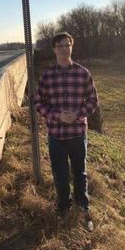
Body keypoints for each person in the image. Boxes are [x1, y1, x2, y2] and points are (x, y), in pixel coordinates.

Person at [35, 32, 98, 231]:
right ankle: (63, 208)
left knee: (80, 173)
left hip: (78, 134)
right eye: (60, 45)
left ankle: (83, 208)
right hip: (56, 135)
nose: (64, 48)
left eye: (67, 45)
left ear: (72, 47)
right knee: (60, 175)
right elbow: (38, 101)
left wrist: (79, 114)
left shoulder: (83, 73)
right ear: (54, 49)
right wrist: (56, 116)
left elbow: (93, 101)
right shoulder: (47, 76)